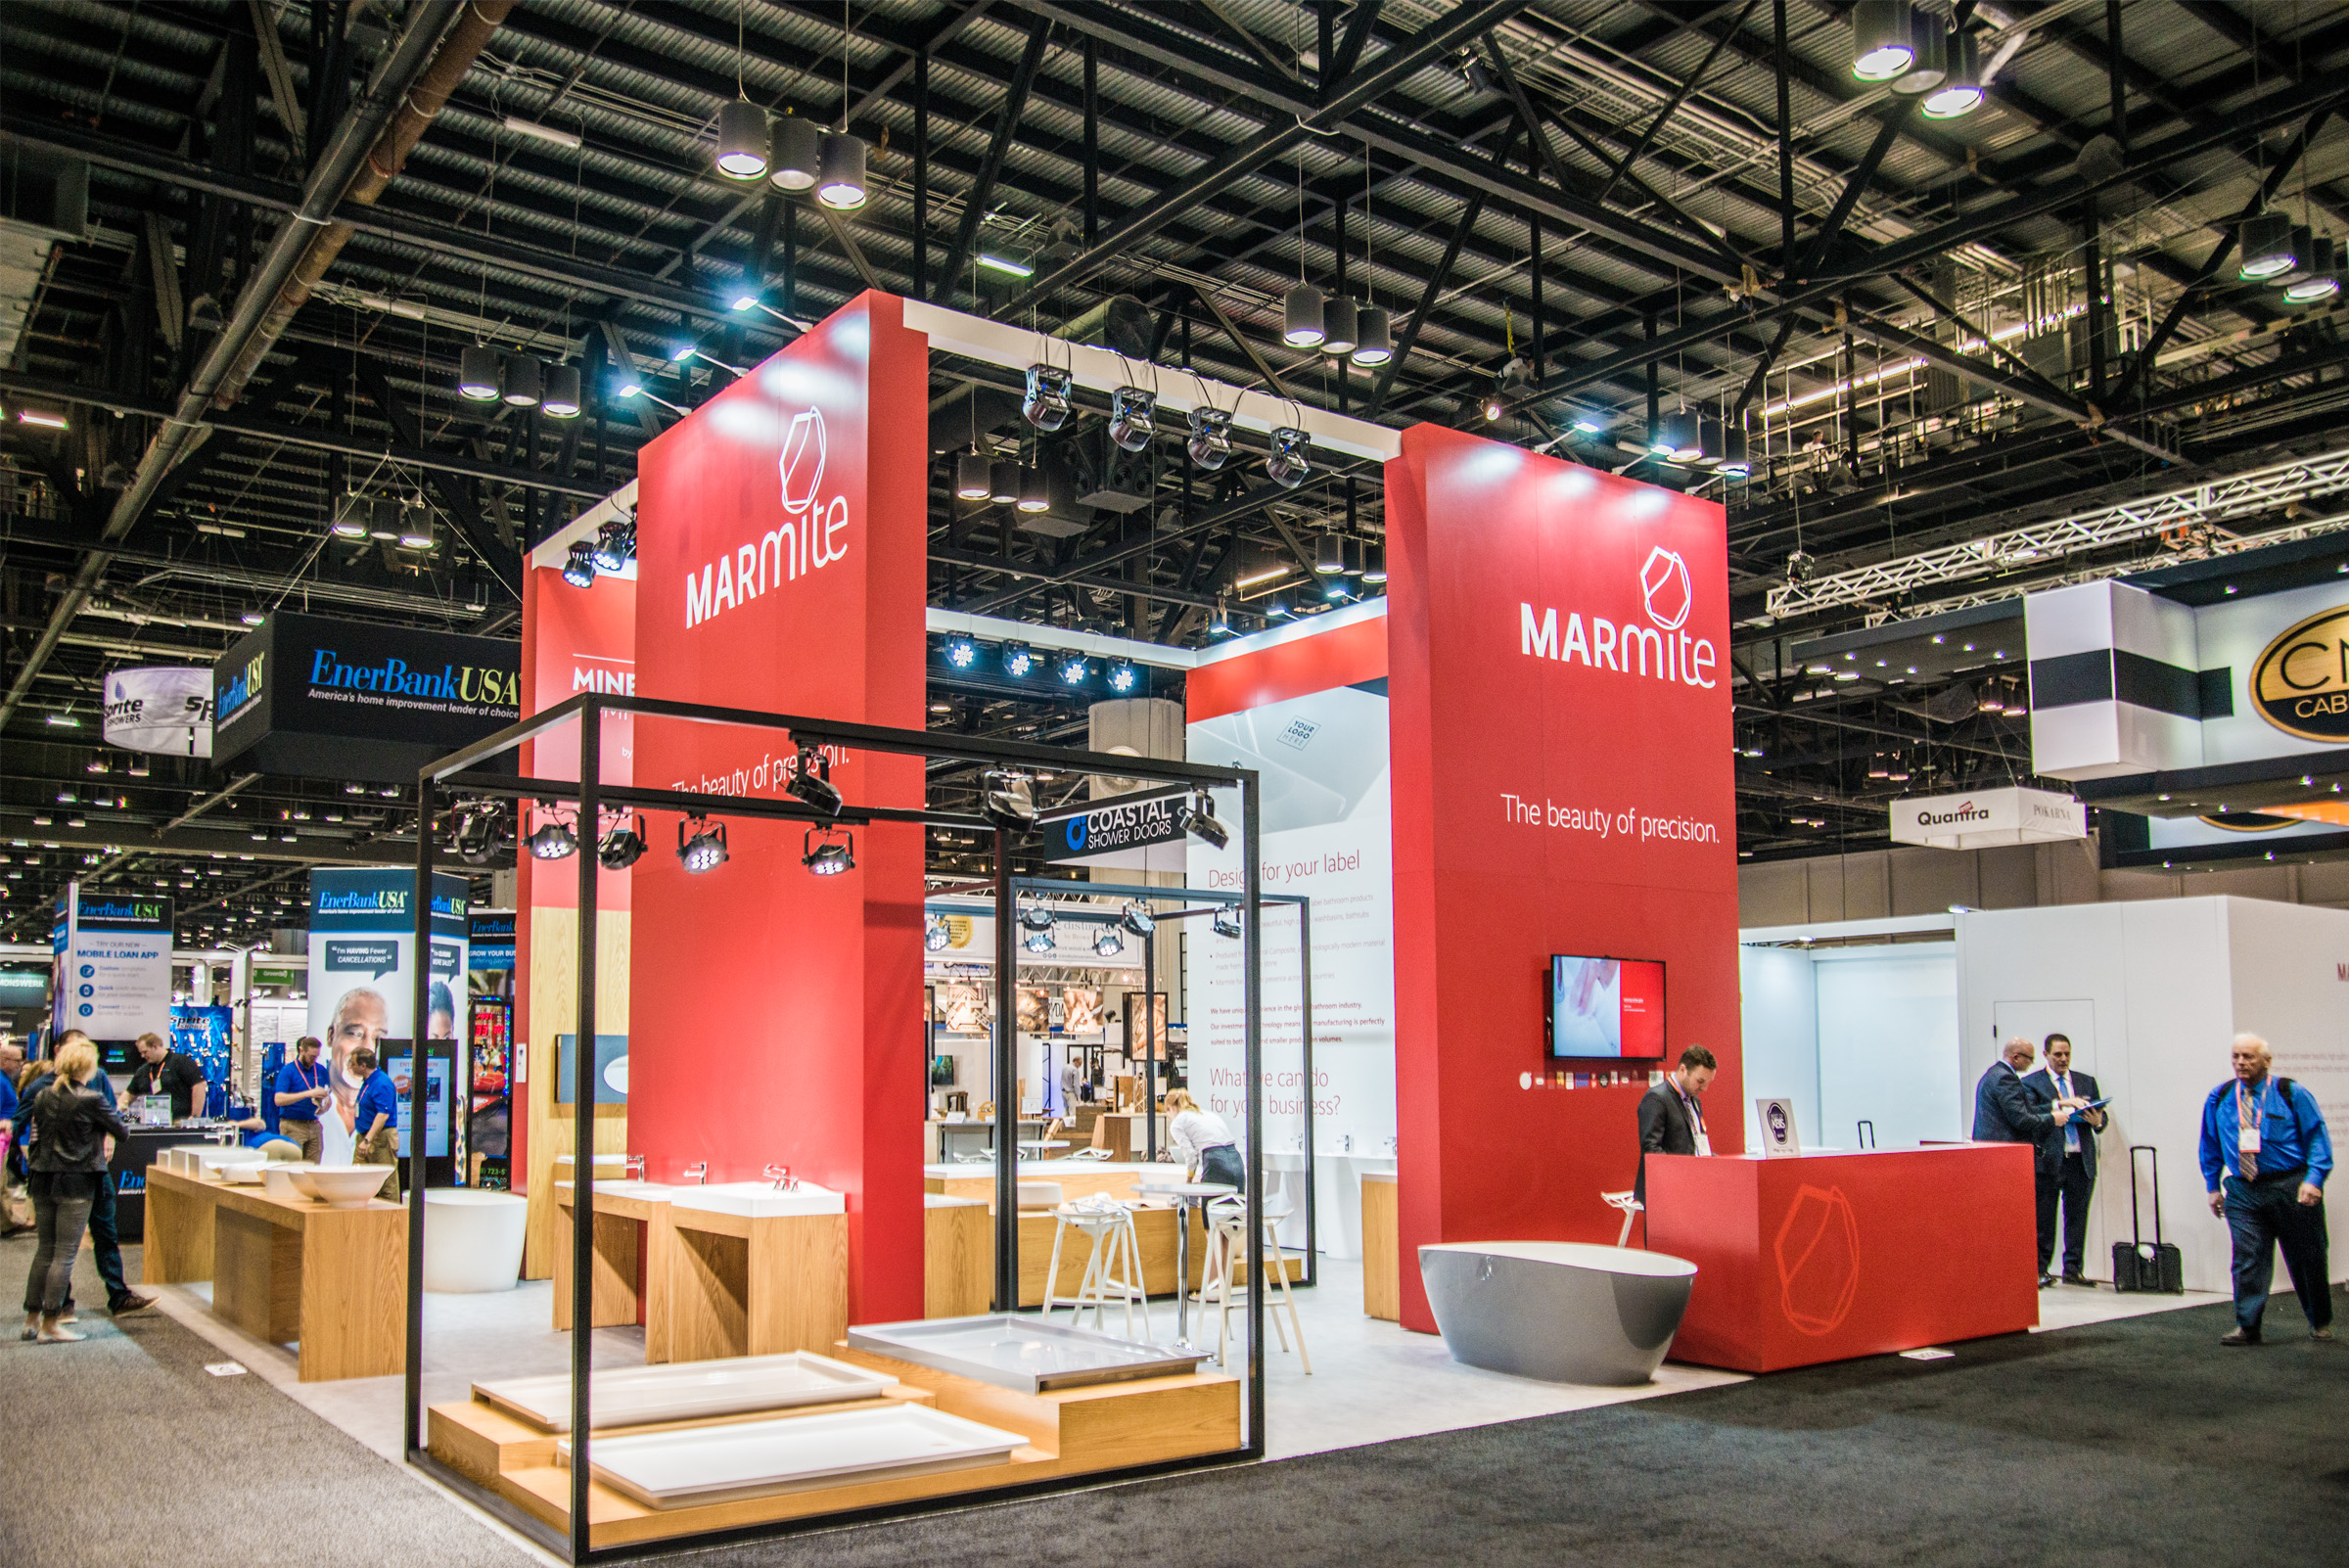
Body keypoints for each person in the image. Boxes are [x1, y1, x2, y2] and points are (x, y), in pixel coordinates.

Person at [2198, 1033, 2332, 1346]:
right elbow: (2210, 1144)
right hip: (2243, 1190)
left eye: (2248, 1057)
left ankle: (2320, 1320)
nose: (2241, 1063)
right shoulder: (2220, 1096)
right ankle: (2248, 1326)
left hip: (2290, 1186)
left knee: (2307, 1257)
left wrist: (2314, 1179)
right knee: (2248, 1258)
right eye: (2236, 1056)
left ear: (2267, 1061)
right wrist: (2212, 1186)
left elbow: (2317, 1137)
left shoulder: (2291, 1093)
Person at [11, 1030, 153, 1317]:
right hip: (75, 1175)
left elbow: (111, 1117)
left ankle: (114, 1297)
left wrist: (106, 1138)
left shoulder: (91, 1081)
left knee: (92, 1238)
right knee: (60, 1250)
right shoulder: (42, 1088)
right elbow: (19, 1124)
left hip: (86, 1171)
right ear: (61, 1052)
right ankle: (58, 1307)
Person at [21, 1039, 131, 1342]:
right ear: (89, 1067)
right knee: (64, 1254)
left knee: (45, 1251)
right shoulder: (92, 1099)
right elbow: (122, 1132)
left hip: (42, 1178)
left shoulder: (43, 1095)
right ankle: (51, 1324)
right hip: (77, 1181)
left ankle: (32, 1320)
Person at [2021, 1034, 2106, 1288]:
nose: (2063, 1059)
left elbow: (2101, 1118)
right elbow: (2030, 1115)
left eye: (2067, 1054)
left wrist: (2098, 1122)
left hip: (2080, 1159)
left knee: (2078, 1217)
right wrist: (2058, 1105)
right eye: (2058, 1054)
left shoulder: (2085, 1082)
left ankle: (2073, 1270)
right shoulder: (2032, 1083)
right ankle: (2040, 1269)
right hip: (2050, 1160)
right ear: (2046, 1055)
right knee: (2045, 1219)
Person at [1635, 1045, 1718, 1204]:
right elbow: (1651, 1149)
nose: (1704, 1088)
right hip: (1664, 1190)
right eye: (1700, 1081)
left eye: (1708, 1083)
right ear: (1683, 1070)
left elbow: (1696, 1142)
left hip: (1691, 1185)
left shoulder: (1694, 1100)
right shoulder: (1657, 1098)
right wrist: (1680, 1174)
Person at [1973, 1037, 2071, 1145]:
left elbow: (2023, 1111)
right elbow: (2021, 1119)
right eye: (2030, 1058)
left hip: (1991, 1144)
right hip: (2004, 1147)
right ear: (2016, 1057)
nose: (2032, 1062)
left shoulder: (1993, 1073)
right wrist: (2053, 1119)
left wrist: (2057, 1104)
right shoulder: (2005, 1078)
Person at [1165, 1089, 1244, 1190]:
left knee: (1211, 1200)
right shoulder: (1206, 1114)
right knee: (1236, 1199)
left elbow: (1191, 1155)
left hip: (1215, 1160)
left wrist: (1189, 1180)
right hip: (1236, 1160)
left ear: (1171, 1108)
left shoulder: (1177, 1122)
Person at [348, 1046, 400, 1201]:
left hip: (380, 1138)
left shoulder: (381, 1083)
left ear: (363, 1065)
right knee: (358, 1179)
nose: (350, 1067)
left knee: (386, 1183)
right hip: (366, 1136)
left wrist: (367, 1140)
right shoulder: (368, 1082)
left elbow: (382, 1115)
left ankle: (392, 1214)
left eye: (353, 1064)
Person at [121, 1031, 207, 1123]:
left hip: (179, 1122)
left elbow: (199, 1085)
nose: (142, 1056)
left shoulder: (180, 1062)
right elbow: (129, 1094)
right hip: (152, 1123)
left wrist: (194, 1117)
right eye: (141, 1053)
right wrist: (117, 1112)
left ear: (154, 1046)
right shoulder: (143, 1070)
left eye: (145, 1052)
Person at [271, 1036, 333, 1164]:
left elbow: (327, 1092)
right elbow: (278, 1099)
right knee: (292, 1164)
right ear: (301, 1051)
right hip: (293, 1125)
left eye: (316, 1057)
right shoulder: (288, 1071)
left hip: (313, 1124)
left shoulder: (320, 1070)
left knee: (313, 1166)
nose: (313, 1060)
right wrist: (307, 1094)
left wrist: (326, 1104)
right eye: (311, 1057)